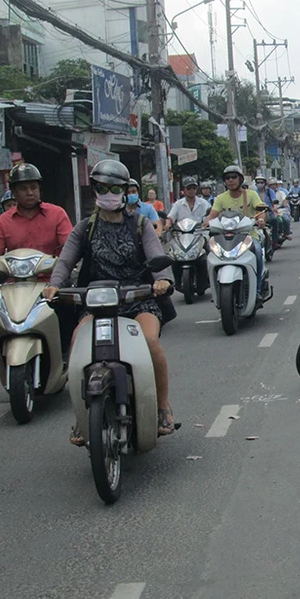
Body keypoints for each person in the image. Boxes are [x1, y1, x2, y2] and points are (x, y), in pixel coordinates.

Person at [43, 159, 176, 440]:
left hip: (139, 298)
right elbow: (66, 262)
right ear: (95, 189)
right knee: (78, 340)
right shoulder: (84, 229)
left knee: (150, 342)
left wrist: (162, 280)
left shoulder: (140, 224)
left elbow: (155, 255)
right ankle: (82, 417)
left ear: (126, 190)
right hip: (97, 302)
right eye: (103, 187)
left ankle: (163, 406)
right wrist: (55, 286)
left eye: (115, 187)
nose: (110, 193)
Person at [0, 164, 75, 336]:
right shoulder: (4, 221)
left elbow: (70, 246)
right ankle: (6, 341)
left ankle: (63, 350)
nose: (30, 192)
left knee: (72, 310)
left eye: (33, 187)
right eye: (23, 188)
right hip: (16, 285)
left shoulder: (57, 214)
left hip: (52, 282)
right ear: (14, 192)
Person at [205, 165, 268, 295]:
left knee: (257, 252)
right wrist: (206, 223)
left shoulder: (251, 194)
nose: (230, 180)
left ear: (240, 179)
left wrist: (261, 220)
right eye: (227, 178)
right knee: (209, 253)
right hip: (225, 239)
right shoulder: (221, 198)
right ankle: (216, 289)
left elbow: (260, 210)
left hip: (248, 236)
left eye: (233, 177)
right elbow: (213, 215)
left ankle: (256, 290)